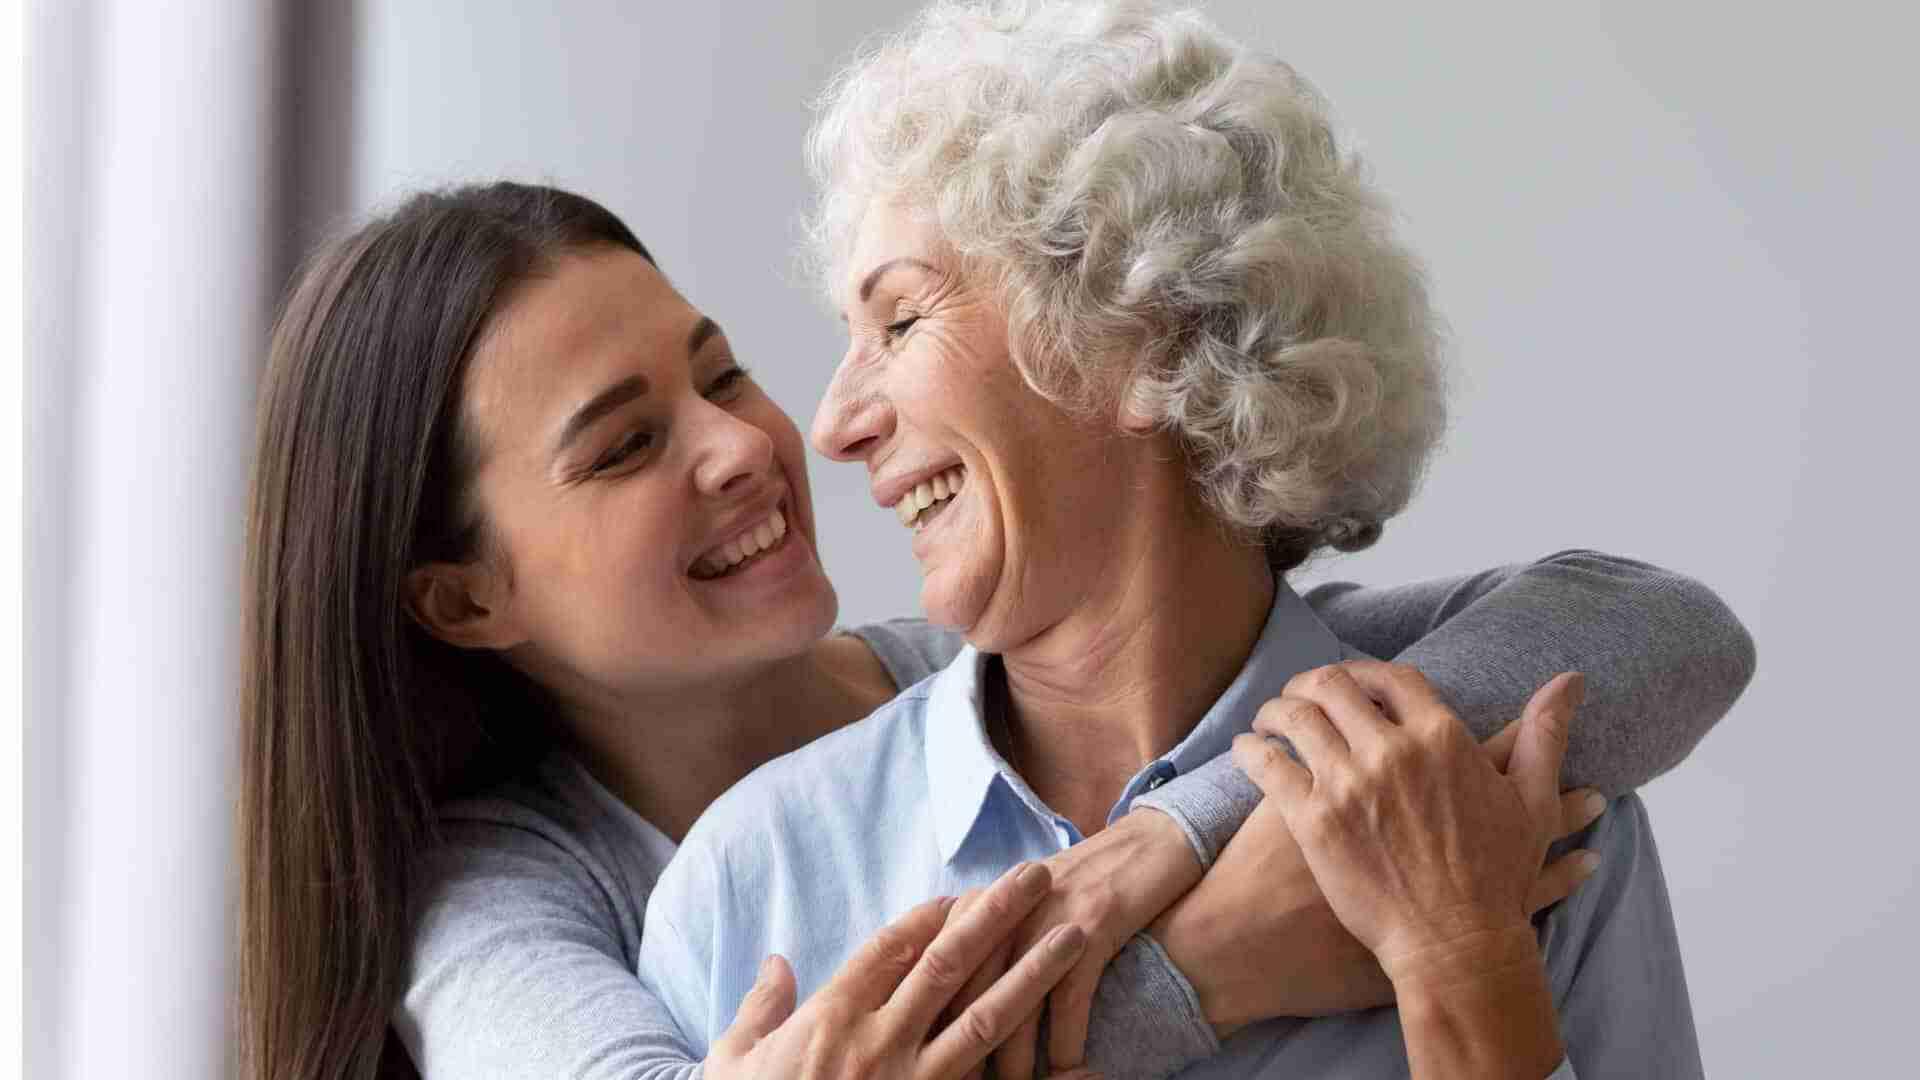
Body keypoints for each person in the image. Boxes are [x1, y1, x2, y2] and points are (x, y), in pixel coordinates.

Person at [234, 182, 1751, 1079]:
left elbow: (1633, 627)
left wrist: (1181, 838)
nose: (774, 441)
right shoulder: (539, 888)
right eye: (624, 448)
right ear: (464, 598)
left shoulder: (1407, 764)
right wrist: (1192, 967)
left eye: (722, 372)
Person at [636, 2, 1744, 1077]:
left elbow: (1681, 625)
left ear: (1136, 339)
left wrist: (1461, 968)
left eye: (901, 320)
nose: (832, 423)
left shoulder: (1514, 802)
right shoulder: (752, 882)